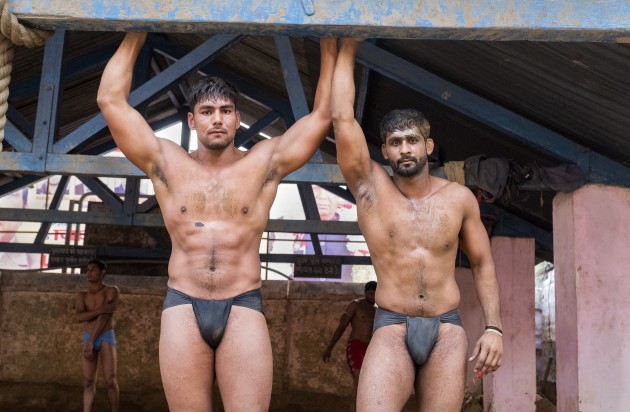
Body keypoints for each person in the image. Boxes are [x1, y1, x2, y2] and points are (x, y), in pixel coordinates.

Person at [97, 32, 337, 410]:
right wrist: (136, 31)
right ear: (192, 120)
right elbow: (109, 100)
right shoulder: (166, 162)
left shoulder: (263, 163)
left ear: (239, 118)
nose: (218, 120)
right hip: (182, 304)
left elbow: (323, 114)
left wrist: (329, 41)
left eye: (226, 111)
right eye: (207, 112)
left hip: (242, 303)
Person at [330, 38, 503, 411]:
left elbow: (482, 263)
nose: (404, 148)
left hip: (446, 330)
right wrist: (347, 45)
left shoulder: (458, 198)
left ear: (428, 146)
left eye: (412, 140)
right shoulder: (370, 191)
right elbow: (342, 117)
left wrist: (494, 327)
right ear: (385, 151)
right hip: (392, 325)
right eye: (395, 142)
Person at [322, 281, 377, 410]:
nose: (373, 296)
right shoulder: (355, 305)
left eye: (375, 293)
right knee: (359, 381)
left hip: (371, 350)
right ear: (365, 292)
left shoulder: (377, 311)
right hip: (356, 346)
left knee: (370, 384)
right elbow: (342, 326)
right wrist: (329, 348)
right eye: (370, 293)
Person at [74, 259, 120, 412]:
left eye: (93, 269)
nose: (89, 272)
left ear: (102, 272)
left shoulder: (112, 290)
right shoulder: (82, 295)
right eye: (87, 270)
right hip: (88, 336)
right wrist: (99, 310)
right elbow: (78, 317)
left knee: (110, 381)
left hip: (106, 335)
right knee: (88, 381)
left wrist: (91, 341)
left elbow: (105, 316)